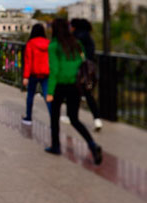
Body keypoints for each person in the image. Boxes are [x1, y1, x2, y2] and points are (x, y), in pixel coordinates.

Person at [45, 18, 102, 165]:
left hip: (60, 85)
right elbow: (82, 62)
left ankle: (55, 146)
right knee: (74, 118)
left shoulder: (54, 46)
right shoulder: (77, 43)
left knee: (54, 116)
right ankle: (92, 144)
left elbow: (54, 71)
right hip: (76, 86)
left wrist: (50, 92)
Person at [70, 18, 103, 131]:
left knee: (74, 92)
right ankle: (97, 119)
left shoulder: (76, 37)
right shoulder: (89, 37)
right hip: (89, 70)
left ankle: (72, 116)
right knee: (88, 94)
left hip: (78, 70)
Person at [22, 23, 52, 125]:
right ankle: (53, 119)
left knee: (30, 95)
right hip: (46, 74)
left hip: (33, 74)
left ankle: (29, 118)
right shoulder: (49, 43)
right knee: (47, 96)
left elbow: (28, 61)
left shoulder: (30, 44)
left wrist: (25, 77)